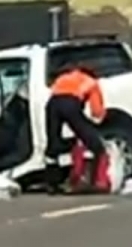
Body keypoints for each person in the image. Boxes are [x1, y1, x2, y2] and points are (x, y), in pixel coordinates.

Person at [44, 65, 108, 193]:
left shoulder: (64, 77)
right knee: (93, 144)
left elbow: (55, 94)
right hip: (70, 104)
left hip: (52, 105)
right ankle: (93, 181)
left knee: (53, 145)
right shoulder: (91, 82)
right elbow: (97, 111)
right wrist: (97, 123)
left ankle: (53, 184)